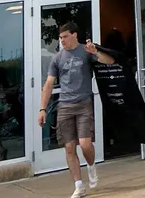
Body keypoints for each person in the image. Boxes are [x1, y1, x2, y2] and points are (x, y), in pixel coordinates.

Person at [38, 22, 116, 198]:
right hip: (64, 105)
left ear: (74, 35)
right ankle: (79, 186)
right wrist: (42, 108)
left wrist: (95, 51)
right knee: (69, 147)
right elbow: (49, 84)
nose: (62, 40)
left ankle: (91, 166)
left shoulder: (86, 51)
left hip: (83, 103)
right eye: (60, 37)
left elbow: (110, 61)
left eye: (65, 36)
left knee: (85, 144)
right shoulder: (57, 58)